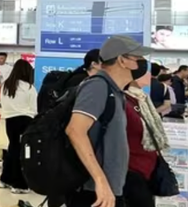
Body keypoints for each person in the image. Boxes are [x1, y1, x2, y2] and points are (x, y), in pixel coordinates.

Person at [64, 35, 151, 207]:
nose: (142, 64)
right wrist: (100, 181)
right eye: (138, 58)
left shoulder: (116, 92)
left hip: (109, 189)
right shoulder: (97, 86)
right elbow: (75, 130)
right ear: (122, 60)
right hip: (94, 191)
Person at [122, 79, 168, 207]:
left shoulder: (142, 99)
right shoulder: (123, 101)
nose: (148, 75)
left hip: (148, 166)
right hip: (132, 167)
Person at [0, 59, 37, 194]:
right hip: (25, 121)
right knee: (22, 152)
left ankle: (5, 179)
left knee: (12, 147)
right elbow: (34, 108)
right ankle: (19, 184)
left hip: (10, 121)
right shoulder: (29, 88)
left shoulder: (6, 86)